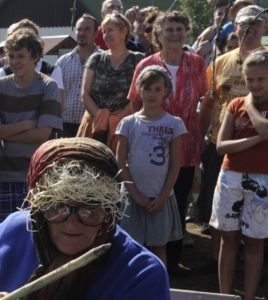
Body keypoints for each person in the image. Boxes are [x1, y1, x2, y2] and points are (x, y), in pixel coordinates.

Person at [0, 137, 174, 300]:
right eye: (58, 206)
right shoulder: (9, 237)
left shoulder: (140, 274)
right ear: (38, 206)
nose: (73, 223)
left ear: (110, 211)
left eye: (89, 209)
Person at [127, 11, 208, 278]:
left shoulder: (197, 63)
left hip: (186, 145)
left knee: (178, 202)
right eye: (169, 29)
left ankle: (171, 264)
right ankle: (142, 263)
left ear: (187, 33)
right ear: (158, 35)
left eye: (180, 29)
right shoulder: (146, 64)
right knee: (146, 200)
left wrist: (203, 135)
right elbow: (135, 104)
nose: (175, 34)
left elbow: (204, 103)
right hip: (149, 147)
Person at [197, 5, 267, 275]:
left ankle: (256, 265)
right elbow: (208, 103)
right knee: (220, 212)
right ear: (234, 28)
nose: (248, 29)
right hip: (220, 145)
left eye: (255, 23)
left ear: (265, 27)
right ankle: (217, 260)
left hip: (264, 147)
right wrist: (200, 142)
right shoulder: (220, 62)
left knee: (260, 211)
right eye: (242, 24)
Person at [212, 51, 268, 300]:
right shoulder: (235, 104)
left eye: (261, 79)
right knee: (228, 239)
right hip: (230, 176)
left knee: (255, 243)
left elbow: (265, 127)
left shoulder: (246, 103)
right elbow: (222, 146)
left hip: (263, 181)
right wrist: (259, 137)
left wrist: (252, 105)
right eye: (249, 79)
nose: (254, 85)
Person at [0, 30, 62, 225]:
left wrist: (6, 131)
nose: (15, 62)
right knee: (6, 233)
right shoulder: (0, 86)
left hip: (38, 174)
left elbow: (43, 134)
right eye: (11, 56)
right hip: (4, 174)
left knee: (37, 234)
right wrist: (25, 125)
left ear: (35, 57)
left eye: (21, 56)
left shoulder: (48, 86)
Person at [116, 66, 185, 267]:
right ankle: (129, 288)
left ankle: (158, 286)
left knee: (158, 248)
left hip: (160, 198)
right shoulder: (128, 123)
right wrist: (136, 195)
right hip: (132, 196)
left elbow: (176, 164)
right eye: (147, 88)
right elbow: (120, 162)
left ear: (166, 91)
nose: (152, 94)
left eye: (157, 89)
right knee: (130, 246)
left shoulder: (175, 124)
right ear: (138, 90)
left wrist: (163, 196)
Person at [80, 13, 144, 148]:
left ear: (124, 31)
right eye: (104, 31)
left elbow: (139, 95)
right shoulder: (95, 59)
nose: (106, 35)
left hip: (126, 127)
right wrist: (101, 117)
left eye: (110, 30)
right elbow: (85, 94)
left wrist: (119, 118)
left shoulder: (137, 60)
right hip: (96, 128)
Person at [56, 14, 101, 138]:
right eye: (79, 29)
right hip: (65, 125)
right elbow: (55, 94)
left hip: (92, 124)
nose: (82, 33)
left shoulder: (104, 60)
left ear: (96, 33)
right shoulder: (62, 62)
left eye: (87, 29)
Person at [194, 0, 230, 65]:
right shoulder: (204, 39)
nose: (223, 17)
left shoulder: (240, 37)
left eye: (227, 13)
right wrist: (199, 54)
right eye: (220, 14)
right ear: (214, 19)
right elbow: (189, 66)